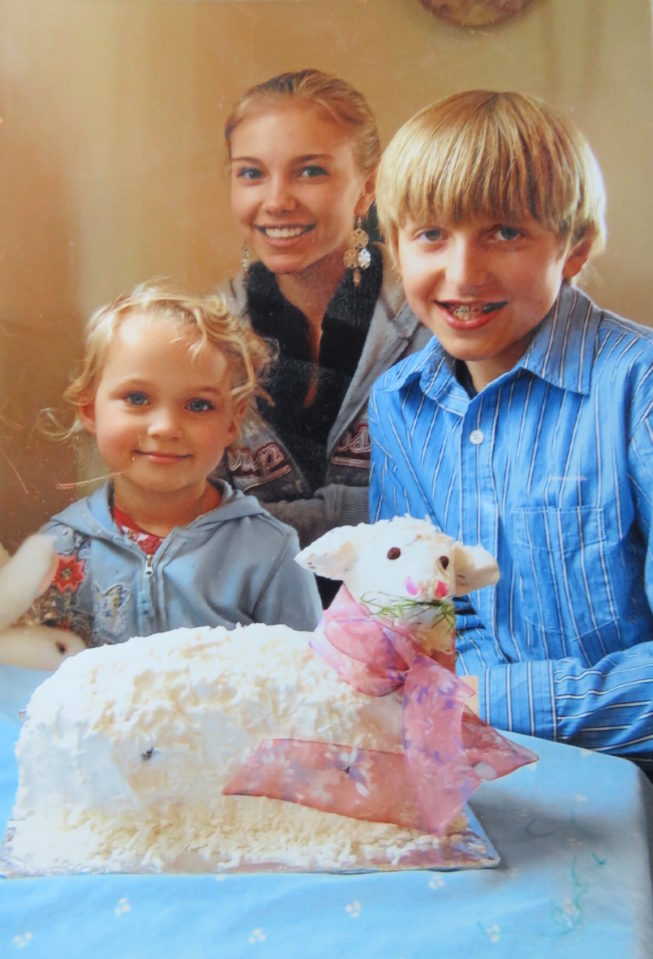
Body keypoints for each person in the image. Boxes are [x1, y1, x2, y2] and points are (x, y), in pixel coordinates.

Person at [369, 90, 653, 772]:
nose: (463, 274)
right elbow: (415, 613)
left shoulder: (637, 389)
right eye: (431, 234)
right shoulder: (400, 403)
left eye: (504, 233)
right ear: (395, 246)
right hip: (464, 762)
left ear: (575, 248)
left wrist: (480, 700)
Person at [218, 69, 430, 571]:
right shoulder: (203, 333)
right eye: (251, 173)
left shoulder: (432, 320)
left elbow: (453, 505)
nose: (276, 201)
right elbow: (180, 512)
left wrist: (258, 526)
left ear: (367, 188)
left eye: (310, 171)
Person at [31, 284, 322, 646]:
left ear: (232, 422)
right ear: (89, 409)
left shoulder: (269, 551)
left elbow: (305, 672)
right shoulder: (58, 546)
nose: (166, 427)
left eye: (198, 405)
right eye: (137, 398)